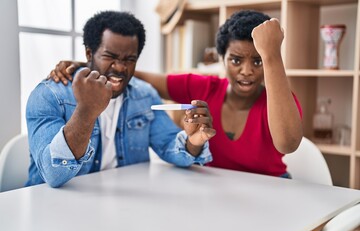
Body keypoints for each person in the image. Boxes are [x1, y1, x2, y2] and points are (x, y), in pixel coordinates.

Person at [48, 10, 303, 178]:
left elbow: (287, 143)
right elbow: (135, 74)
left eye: (257, 62)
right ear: (221, 58)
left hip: (272, 192)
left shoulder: (279, 102)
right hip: (215, 193)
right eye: (236, 60)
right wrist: (91, 66)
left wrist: (271, 55)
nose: (246, 71)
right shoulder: (204, 87)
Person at [26, 10, 216, 188]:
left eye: (129, 59)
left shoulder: (144, 94)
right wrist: (86, 111)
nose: (120, 68)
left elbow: (168, 146)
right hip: (53, 209)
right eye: (110, 56)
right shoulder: (49, 96)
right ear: (89, 53)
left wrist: (193, 140)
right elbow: (52, 175)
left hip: (122, 205)